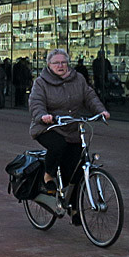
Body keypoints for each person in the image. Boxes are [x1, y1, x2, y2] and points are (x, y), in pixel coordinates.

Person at [29, 49, 109, 202]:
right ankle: (48, 175)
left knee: (75, 170)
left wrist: (101, 111)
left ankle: (74, 211)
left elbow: (89, 96)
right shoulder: (41, 82)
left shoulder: (78, 79)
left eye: (63, 62)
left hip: (71, 128)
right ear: (49, 65)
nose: (61, 65)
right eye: (56, 63)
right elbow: (36, 102)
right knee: (58, 145)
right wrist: (43, 116)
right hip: (48, 127)